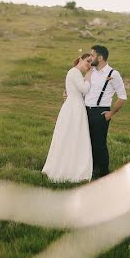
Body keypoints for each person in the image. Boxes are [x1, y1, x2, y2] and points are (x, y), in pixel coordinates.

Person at [42, 52, 94, 182]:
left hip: (75, 106)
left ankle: (73, 164)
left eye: (91, 63)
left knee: (74, 135)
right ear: (81, 59)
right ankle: (68, 168)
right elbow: (84, 89)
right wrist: (88, 77)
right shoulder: (74, 72)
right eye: (87, 61)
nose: (89, 65)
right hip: (73, 108)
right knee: (70, 135)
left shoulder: (75, 73)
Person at [85, 45, 127, 179]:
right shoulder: (91, 71)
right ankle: (90, 169)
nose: (90, 57)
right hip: (85, 111)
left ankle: (103, 173)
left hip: (101, 113)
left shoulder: (113, 74)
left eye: (92, 55)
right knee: (87, 142)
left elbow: (122, 97)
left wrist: (110, 114)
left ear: (100, 57)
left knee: (99, 144)